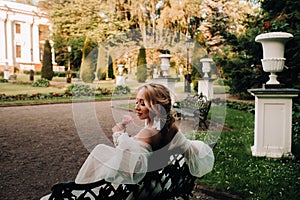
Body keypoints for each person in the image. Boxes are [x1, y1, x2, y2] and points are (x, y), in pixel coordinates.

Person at [41, 83, 214, 199]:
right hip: (158, 186)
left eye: (143, 103)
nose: (136, 107)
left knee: (100, 151)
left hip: (137, 191)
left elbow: (131, 169)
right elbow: (187, 149)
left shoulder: (148, 133)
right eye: (136, 102)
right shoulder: (172, 128)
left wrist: (119, 134)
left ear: (156, 106)